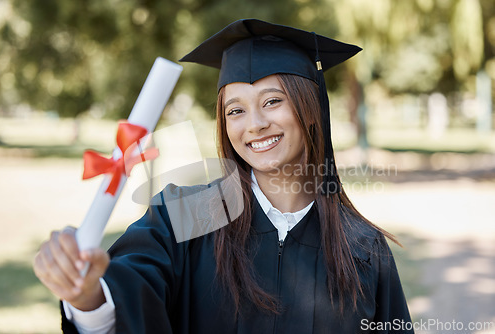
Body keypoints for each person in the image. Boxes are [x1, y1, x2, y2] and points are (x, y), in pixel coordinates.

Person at [33, 19, 414, 333]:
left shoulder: (363, 248)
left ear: (310, 107)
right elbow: (126, 292)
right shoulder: (186, 214)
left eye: (272, 101)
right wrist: (87, 297)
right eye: (236, 111)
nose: (256, 125)